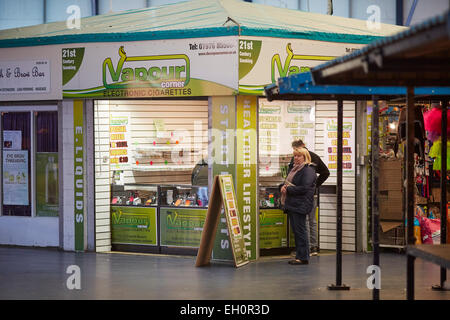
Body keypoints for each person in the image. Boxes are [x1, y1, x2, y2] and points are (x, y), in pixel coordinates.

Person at [288, 139, 330, 256]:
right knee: (312, 221)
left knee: (304, 221)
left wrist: (314, 184)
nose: (296, 155)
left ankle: (304, 248)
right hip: (312, 194)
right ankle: (313, 247)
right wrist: (315, 185)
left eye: (297, 152)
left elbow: (292, 176)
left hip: (302, 195)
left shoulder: (304, 162)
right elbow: (326, 172)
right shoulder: (314, 157)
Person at [281, 147, 317, 265]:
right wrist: (282, 187)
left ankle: (303, 257)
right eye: (295, 155)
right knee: (297, 231)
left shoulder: (308, 170)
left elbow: (305, 188)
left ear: (305, 157)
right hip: (293, 203)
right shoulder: (294, 169)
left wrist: (289, 189)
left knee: (300, 231)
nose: (295, 158)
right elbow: (288, 182)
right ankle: (300, 255)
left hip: (300, 204)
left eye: (298, 156)